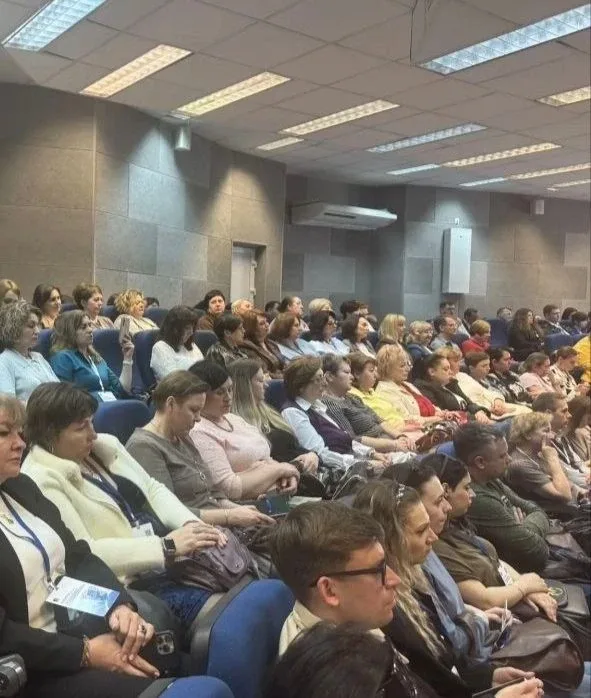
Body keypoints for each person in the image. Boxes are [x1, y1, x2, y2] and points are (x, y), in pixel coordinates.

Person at [0, 392, 201, 698]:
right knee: (190, 688)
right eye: (4, 433)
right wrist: (85, 653)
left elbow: (77, 556)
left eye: (19, 432)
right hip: (34, 665)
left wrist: (116, 606)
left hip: (76, 623)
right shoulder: (34, 477)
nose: (20, 443)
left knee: (183, 663)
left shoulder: (19, 486)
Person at [270, 502, 541, 698]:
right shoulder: (326, 682)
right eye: (377, 570)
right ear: (329, 591)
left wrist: (487, 678)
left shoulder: (360, 615)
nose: (394, 579)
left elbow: (427, 676)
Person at [20, 382, 226, 631]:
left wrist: (190, 524)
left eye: (92, 422)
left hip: (162, 559)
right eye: (81, 428)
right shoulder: (40, 479)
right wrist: (165, 547)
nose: (93, 434)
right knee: (227, 613)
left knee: (239, 583)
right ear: (49, 434)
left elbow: (152, 488)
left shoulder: (105, 447)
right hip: (125, 582)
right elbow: (84, 552)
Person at [418, 455, 591, 698]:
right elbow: (489, 594)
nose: (471, 494)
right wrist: (524, 586)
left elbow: (500, 556)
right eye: (439, 500)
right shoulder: (434, 549)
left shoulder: (458, 525)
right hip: (496, 643)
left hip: (498, 634)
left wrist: (528, 586)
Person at [355, 479, 533, 697]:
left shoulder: (413, 580)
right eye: (421, 531)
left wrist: (488, 677)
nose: (433, 537)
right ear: (390, 542)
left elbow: (441, 668)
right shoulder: (386, 612)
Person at [126, 370, 274, 528]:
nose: (198, 418)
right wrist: (229, 516)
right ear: (171, 404)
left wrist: (239, 510)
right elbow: (166, 512)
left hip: (219, 523)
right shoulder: (144, 446)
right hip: (198, 532)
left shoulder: (182, 436)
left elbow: (211, 493)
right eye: (193, 410)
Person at [189, 361, 299, 500]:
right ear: (201, 395)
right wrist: (281, 469)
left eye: (230, 389)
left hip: (277, 494)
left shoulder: (233, 419)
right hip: (244, 506)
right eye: (220, 392)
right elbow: (229, 488)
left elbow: (267, 459)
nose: (228, 397)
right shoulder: (199, 431)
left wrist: (287, 475)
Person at [453, 424, 551, 573]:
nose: (509, 459)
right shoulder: (477, 499)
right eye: (502, 456)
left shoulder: (491, 479)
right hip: (519, 572)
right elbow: (537, 550)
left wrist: (524, 528)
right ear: (480, 462)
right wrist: (526, 530)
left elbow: (536, 509)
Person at [280, 356, 383, 474]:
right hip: (340, 472)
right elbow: (321, 455)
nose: (325, 383)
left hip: (352, 462)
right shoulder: (293, 413)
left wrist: (371, 453)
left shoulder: (317, 406)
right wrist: (363, 464)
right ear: (301, 385)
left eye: (323, 377)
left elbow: (346, 440)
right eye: (318, 379)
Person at [227, 359, 319, 472]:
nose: (266, 385)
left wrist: (312, 455)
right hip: (284, 475)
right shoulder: (236, 424)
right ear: (244, 385)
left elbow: (295, 447)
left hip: (306, 467)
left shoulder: (270, 412)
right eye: (260, 381)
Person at [320, 354, 414, 458]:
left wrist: (400, 436)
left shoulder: (352, 397)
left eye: (350, 373)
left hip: (389, 441)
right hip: (374, 452)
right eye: (346, 373)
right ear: (330, 377)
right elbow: (352, 439)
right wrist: (394, 445)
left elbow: (378, 419)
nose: (351, 377)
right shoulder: (329, 404)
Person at [49, 310, 133, 401]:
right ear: (69, 332)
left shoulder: (95, 357)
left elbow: (122, 390)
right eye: (83, 327)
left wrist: (127, 358)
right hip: (87, 408)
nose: (90, 330)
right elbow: (65, 397)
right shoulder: (62, 357)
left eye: (89, 325)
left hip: (111, 404)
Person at [506, 412, 581, 511]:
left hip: (571, 509)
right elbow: (564, 495)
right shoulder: (519, 464)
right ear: (527, 434)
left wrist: (581, 492)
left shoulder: (540, 454)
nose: (552, 436)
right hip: (553, 516)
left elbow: (565, 481)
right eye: (546, 431)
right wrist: (553, 459)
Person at [375, 345, 458, 428]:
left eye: (407, 364)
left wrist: (445, 414)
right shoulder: (385, 391)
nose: (407, 369)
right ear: (388, 368)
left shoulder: (408, 385)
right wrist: (439, 418)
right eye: (402, 366)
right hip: (420, 431)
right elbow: (409, 420)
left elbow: (432, 408)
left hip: (434, 426)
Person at [0, 300, 59, 402]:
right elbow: (9, 406)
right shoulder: (4, 362)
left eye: (37, 325)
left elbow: (59, 387)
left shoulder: (38, 357)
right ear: (13, 329)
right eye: (31, 326)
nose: (37, 331)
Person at [531, 392, 589, 490]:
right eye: (564, 411)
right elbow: (570, 477)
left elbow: (579, 467)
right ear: (548, 414)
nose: (569, 415)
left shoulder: (560, 436)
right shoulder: (542, 445)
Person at [414, 353, 490, 423]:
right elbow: (442, 414)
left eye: (450, 368)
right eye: (446, 369)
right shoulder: (424, 388)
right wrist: (475, 417)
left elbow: (469, 403)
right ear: (432, 372)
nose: (451, 372)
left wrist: (479, 411)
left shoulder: (450, 384)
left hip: (473, 421)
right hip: (461, 426)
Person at [347, 352, 406, 431]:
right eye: (371, 371)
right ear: (357, 374)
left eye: (375, 370)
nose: (376, 375)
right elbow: (374, 427)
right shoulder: (352, 397)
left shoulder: (371, 391)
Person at [460, 352, 530, 419]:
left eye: (488, 365)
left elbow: (496, 394)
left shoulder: (490, 379)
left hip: (501, 406)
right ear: (471, 368)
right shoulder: (465, 382)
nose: (488, 368)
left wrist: (498, 400)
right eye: (484, 366)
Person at [150, 305, 203, 382]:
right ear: (174, 329)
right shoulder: (160, 348)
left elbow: (204, 370)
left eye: (192, 328)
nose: (191, 332)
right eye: (187, 328)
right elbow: (174, 381)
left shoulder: (191, 345)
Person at [239, 309, 283, 377]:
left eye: (266, 321)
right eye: (262, 323)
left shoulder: (271, 343)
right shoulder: (247, 348)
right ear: (252, 329)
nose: (267, 325)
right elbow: (263, 373)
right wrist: (284, 377)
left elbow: (282, 364)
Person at [565, 395, 591, 462]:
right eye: (588, 418)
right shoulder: (564, 434)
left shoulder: (580, 432)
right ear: (579, 415)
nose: (589, 422)